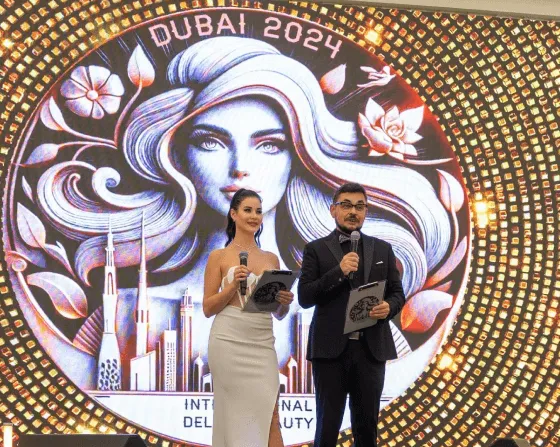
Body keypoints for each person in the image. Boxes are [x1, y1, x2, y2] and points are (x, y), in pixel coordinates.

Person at [298, 182, 406, 447]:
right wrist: (339, 271)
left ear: (366, 211)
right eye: (346, 205)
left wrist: (388, 307)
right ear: (333, 210)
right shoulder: (316, 249)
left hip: (370, 350)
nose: (353, 212)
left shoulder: (382, 249)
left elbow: (397, 293)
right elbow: (305, 297)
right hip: (330, 351)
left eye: (360, 206)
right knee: (327, 427)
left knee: (366, 429)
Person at [203, 188, 294, 447]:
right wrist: (232, 287)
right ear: (233, 214)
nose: (254, 216)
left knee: (271, 414)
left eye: (258, 211)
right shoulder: (218, 257)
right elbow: (208, 308)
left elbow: (279, 313)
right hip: (228, 340)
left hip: (262, 341)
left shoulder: (271, 258)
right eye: (247, 210)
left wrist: (283, 303)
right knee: (231, 416)